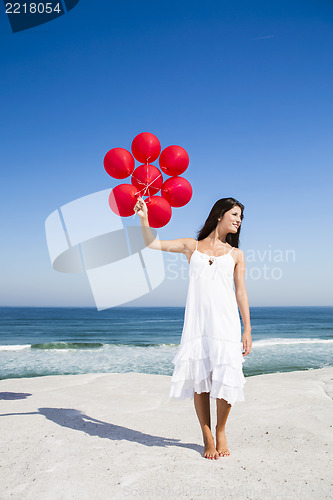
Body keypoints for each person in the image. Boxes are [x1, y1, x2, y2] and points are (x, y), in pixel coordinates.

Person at [133, 196, 252, 460]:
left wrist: (247, 329)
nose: (238, 220)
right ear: (219, 214)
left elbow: (241, 292)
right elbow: (152, 243)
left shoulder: (236, 255)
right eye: (234, 214)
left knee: (226, 379)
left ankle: (221, 431)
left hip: (226, 323)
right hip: (198, 324)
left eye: (241, 217)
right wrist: (144, 219)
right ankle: (207, 436)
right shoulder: (192, 246)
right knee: (201, 381)